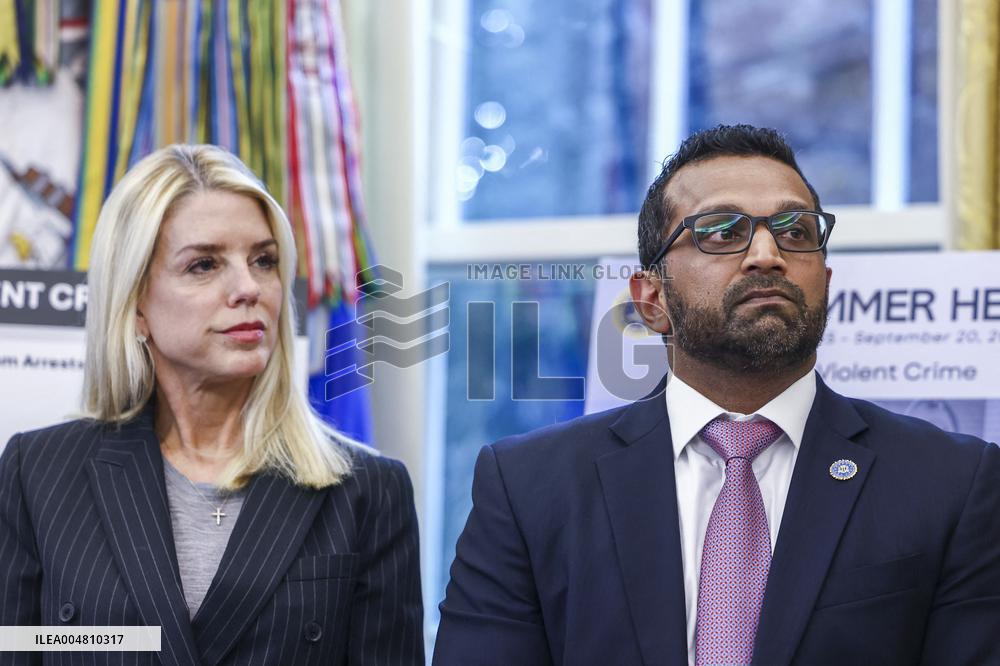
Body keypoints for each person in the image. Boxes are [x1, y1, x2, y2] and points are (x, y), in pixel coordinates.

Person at [433, 125, 1000, 665]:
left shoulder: (951, 482)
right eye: (723, 232)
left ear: (825, 283)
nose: (766, 255)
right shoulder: (530, 486)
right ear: (650, 299)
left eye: (796, 231)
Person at [0, 145, 424, 665]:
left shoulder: (367, 491)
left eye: (264, 261)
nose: (248, 288)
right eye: (204, 264)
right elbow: (19, 647)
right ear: (135, 304)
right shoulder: (37, 473)